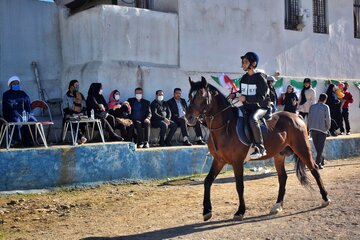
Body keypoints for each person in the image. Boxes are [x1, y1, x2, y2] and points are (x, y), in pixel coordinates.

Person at [230, 52, 270, 159]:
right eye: (243, 62)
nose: (243, 64)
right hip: (248, 106)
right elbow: (242, 91)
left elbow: (261, 97)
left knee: (253, 119)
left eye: (246, 62)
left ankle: (260, 148)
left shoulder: (260, 77)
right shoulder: (244, 78)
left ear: (253, 63)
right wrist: (235, 94)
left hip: (261, 107)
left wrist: (246, 98)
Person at [2, 75, 37, 146]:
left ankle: (31, 140)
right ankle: (18, 141)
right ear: (10, 85)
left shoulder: (22, 93)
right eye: (14, 84)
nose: (16, 85)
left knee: (33, 121)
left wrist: (27, 112)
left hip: (24, 113)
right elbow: (10, 105)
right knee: (17, 121)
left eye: (17, 83)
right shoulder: (6, 94)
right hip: (13, 114)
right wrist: (20, 102)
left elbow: (27, 103)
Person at [308, 93, 331, 169]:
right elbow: (328, 118)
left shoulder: (312, 106)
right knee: (320, 147)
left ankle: (322, 160)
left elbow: (309, 118)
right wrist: (328, 128)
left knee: (318, 147)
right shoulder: (325, 107)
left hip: (313, 129)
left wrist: (309, 128)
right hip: (322, 129)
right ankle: (318, 163)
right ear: (325, 99)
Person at [62, 79, 88, 144]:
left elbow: (84, 106)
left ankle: (80, 138)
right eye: (76, 85)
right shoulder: (66, 96)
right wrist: (73, 113)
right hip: (70, 114)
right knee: (74, 121)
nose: (77, 86)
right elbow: (65, 108)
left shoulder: (80, 95)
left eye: (78, 85)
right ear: (71, 86)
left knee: (83, 121)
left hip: (80, 114)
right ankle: (81, 137)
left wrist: (81, 112)